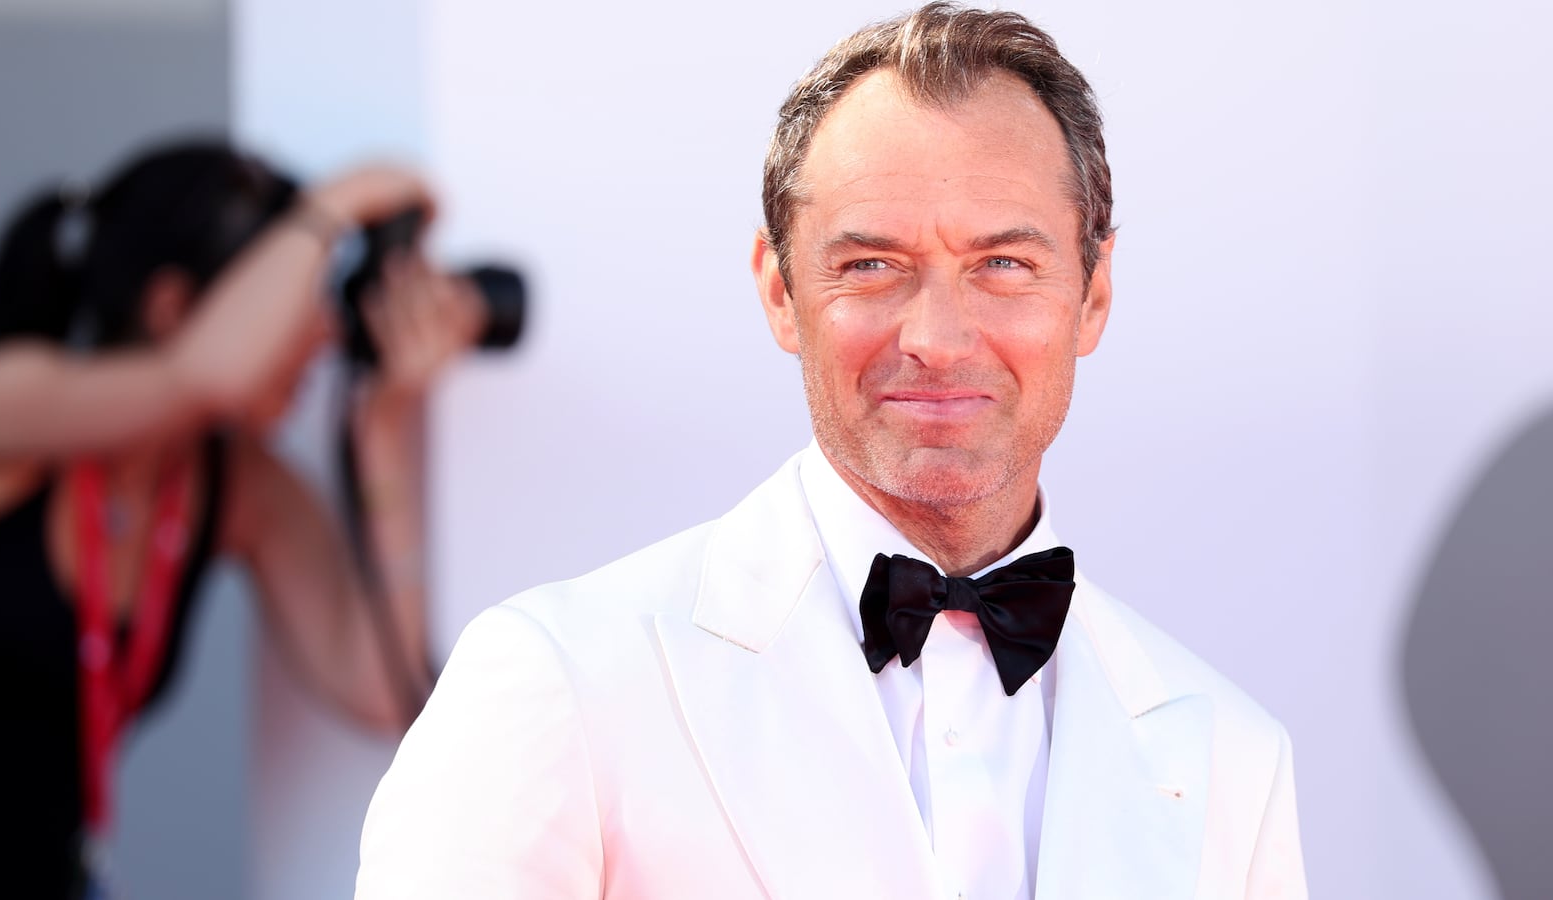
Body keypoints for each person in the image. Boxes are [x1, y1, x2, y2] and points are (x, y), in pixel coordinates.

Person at [356, 4, 1307, 898]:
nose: (938, 334)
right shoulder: (561, 678)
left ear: (1093, 294)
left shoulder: (1231, 761)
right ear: (780, 291)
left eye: (1003, 265)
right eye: (872, 265)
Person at [0, 140, 482, 898]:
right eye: (296, 304)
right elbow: (204, 375)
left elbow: (380, 686)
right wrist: (339, 203)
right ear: (171, 306)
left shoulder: (232, 483)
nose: (322, 336)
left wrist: (383, 429)